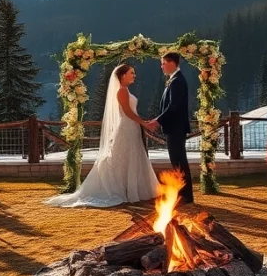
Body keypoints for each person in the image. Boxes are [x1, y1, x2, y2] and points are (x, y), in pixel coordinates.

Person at [47, 64, 159, 207]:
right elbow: (127, 112)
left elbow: (132, 112)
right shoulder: (122, 91)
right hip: (127, 127)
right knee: (125, 157)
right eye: (131, 73)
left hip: (132, 127)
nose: (134, 75)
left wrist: (143, 122)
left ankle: (130, 189)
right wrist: (144, 123)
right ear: (123, 75)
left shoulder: (125, 90)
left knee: (130, 157)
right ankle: (125, 189)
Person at [146, 53, 194, 204]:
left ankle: (185, 195)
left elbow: (173, 106)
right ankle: (183, 194)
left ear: (172, 63)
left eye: (163, 63)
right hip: (175, 127)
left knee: (179, 161)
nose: (161, 67)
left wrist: (158, 121)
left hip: (176, 128)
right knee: (178, 161)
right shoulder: (174, 80)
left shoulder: (177, 81)